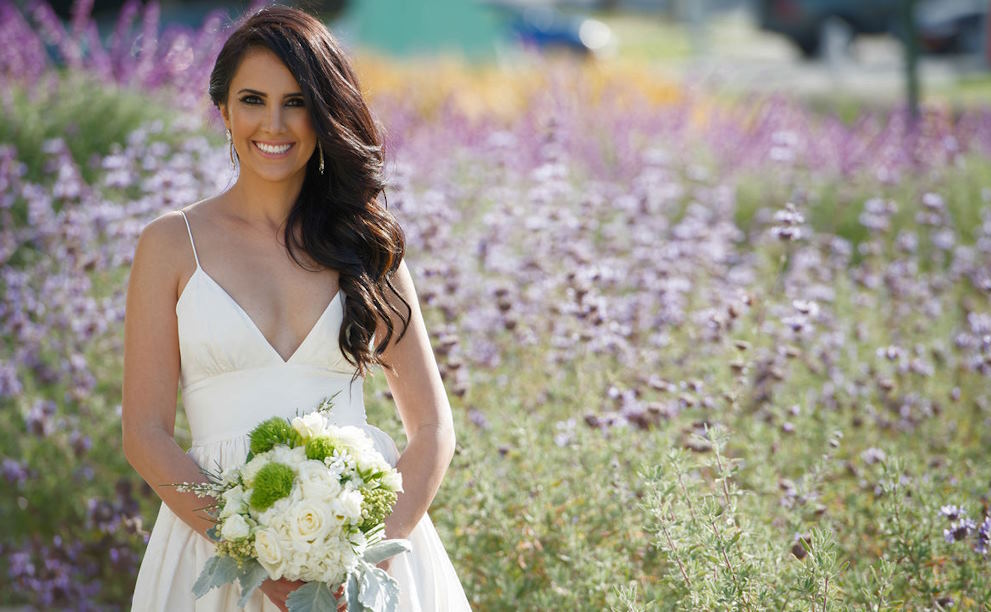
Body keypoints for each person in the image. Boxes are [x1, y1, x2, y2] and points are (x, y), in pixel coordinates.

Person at [121, 5, 471, 610]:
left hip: (358, 561)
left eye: (297, 101)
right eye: (253, 99)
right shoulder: (170, 244)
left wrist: (363, 557)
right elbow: (145, 434)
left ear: (324, 112)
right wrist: (249, 552)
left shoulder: (367, 245)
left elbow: (434, 428)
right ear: (223, 109)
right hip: (212, 553)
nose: (274, 124)